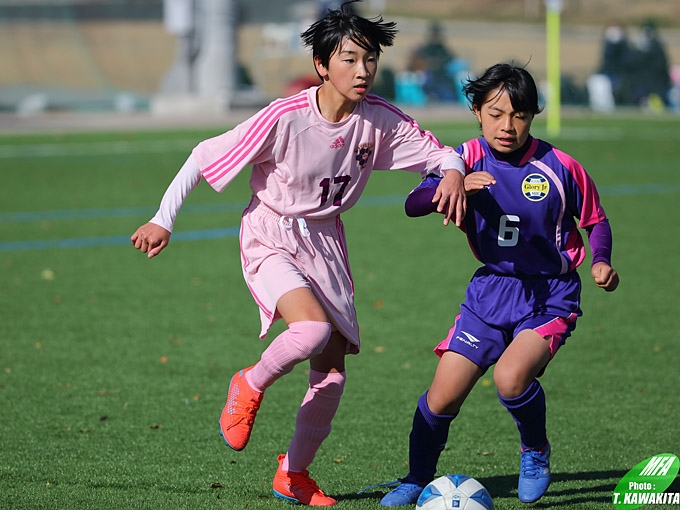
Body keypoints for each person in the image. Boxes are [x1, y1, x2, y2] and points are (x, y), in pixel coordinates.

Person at [130, 1, 466, 506]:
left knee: (331, 372)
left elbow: (441, 152)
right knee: (310, 331)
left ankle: (294, 473)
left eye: (370, 59)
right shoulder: (286, 117)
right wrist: (163, 218)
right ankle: (249, 382)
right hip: (271, 235)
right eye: (349, 59)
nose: (363, 70)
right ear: (321, 65)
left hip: (326, 243)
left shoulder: (378, 119)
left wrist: (455, 173)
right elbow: (204, 155)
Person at [379, 63, 619, 506]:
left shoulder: (561, 167)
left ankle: (534, 450)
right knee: (442, 395)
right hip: (490, 294)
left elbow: (596, 221)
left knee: (510, 378)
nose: (507, 126)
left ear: (532, 116)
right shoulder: (464, 158)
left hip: (550, 295)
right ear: (476, 111)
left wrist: (601, 262)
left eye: (520, 115)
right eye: (495, 113)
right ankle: (416, 478)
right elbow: (412, 204)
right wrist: (453, 184)